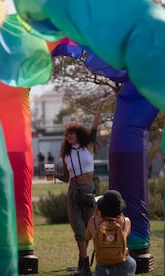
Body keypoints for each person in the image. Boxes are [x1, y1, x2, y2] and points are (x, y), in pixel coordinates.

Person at [54, 100, 109, 275]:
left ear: (78, 134)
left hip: (88, 189)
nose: (68, 136)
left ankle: (86, 263)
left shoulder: (88, 146)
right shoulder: (66, 154)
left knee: (89, 228)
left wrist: (99, 108)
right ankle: (85, 266)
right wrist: (55, 175)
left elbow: (94, 126)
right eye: (66, 135)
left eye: (71, 134)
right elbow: (65, 177)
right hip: (72, 191)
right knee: (78, 229)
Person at [85, 190, 136, 276]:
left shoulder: (93, 222)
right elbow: (126, 235)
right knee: (132, 262)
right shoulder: (126, 221)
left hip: (102, 265)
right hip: (124, 264)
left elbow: (86, 238)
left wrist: (96, 212)